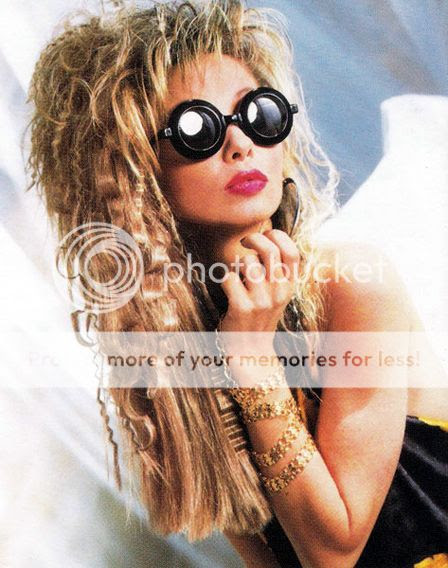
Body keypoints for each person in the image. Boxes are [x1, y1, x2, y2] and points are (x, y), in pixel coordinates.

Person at [27, 0, 448, 566]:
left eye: (258, 113)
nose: (241, 143)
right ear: (135, 172)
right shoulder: (169, 363)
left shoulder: (350, 286)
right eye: (197, 128)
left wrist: (249, 358)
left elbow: (332, 551)